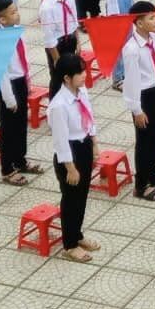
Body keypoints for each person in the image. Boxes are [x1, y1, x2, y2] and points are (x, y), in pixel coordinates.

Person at [47, 52, 100, 262]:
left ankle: (77, 234)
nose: (84, 75)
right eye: (79, 73)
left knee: (82, 195)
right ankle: (69, 244)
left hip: (84, 145)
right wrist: (70, 168)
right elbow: (60, 140)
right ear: (67, 78)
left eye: (84, 70)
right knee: (71, 199)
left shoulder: (81, 92)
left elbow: (89, 117)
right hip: (70, 154)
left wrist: (94, 144)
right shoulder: (59, 105)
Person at [121, 0, 155, 201]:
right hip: (142, 97)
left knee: (154, 137)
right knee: (144, 141)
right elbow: (131, 81)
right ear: (139, 23)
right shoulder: (132, 49)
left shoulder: (154, 39)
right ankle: (141, 185)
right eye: (151, 18)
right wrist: (136, 109)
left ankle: (152, 173)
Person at [0, 0, 37, 187]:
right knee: (9, 128)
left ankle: (20, 160)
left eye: (16, 10)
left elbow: (22, 59)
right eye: (13, 12)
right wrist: (9, 99)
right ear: (2, 19)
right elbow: (1, 73)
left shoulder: (17, 31)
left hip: (20, 81)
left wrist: (28, 81)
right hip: (8, 87)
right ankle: (7, 169)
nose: (17, 14)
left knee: (21, 124)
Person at [38, 0, 77, 97]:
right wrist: (56, 58)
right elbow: (48, 36)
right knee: (58, 77)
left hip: (70, 39)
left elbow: (74, 21)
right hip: (57, 45)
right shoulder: (46, 7)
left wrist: (78, 42)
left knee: (72, 73)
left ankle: (71, 98)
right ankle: (54, 102)